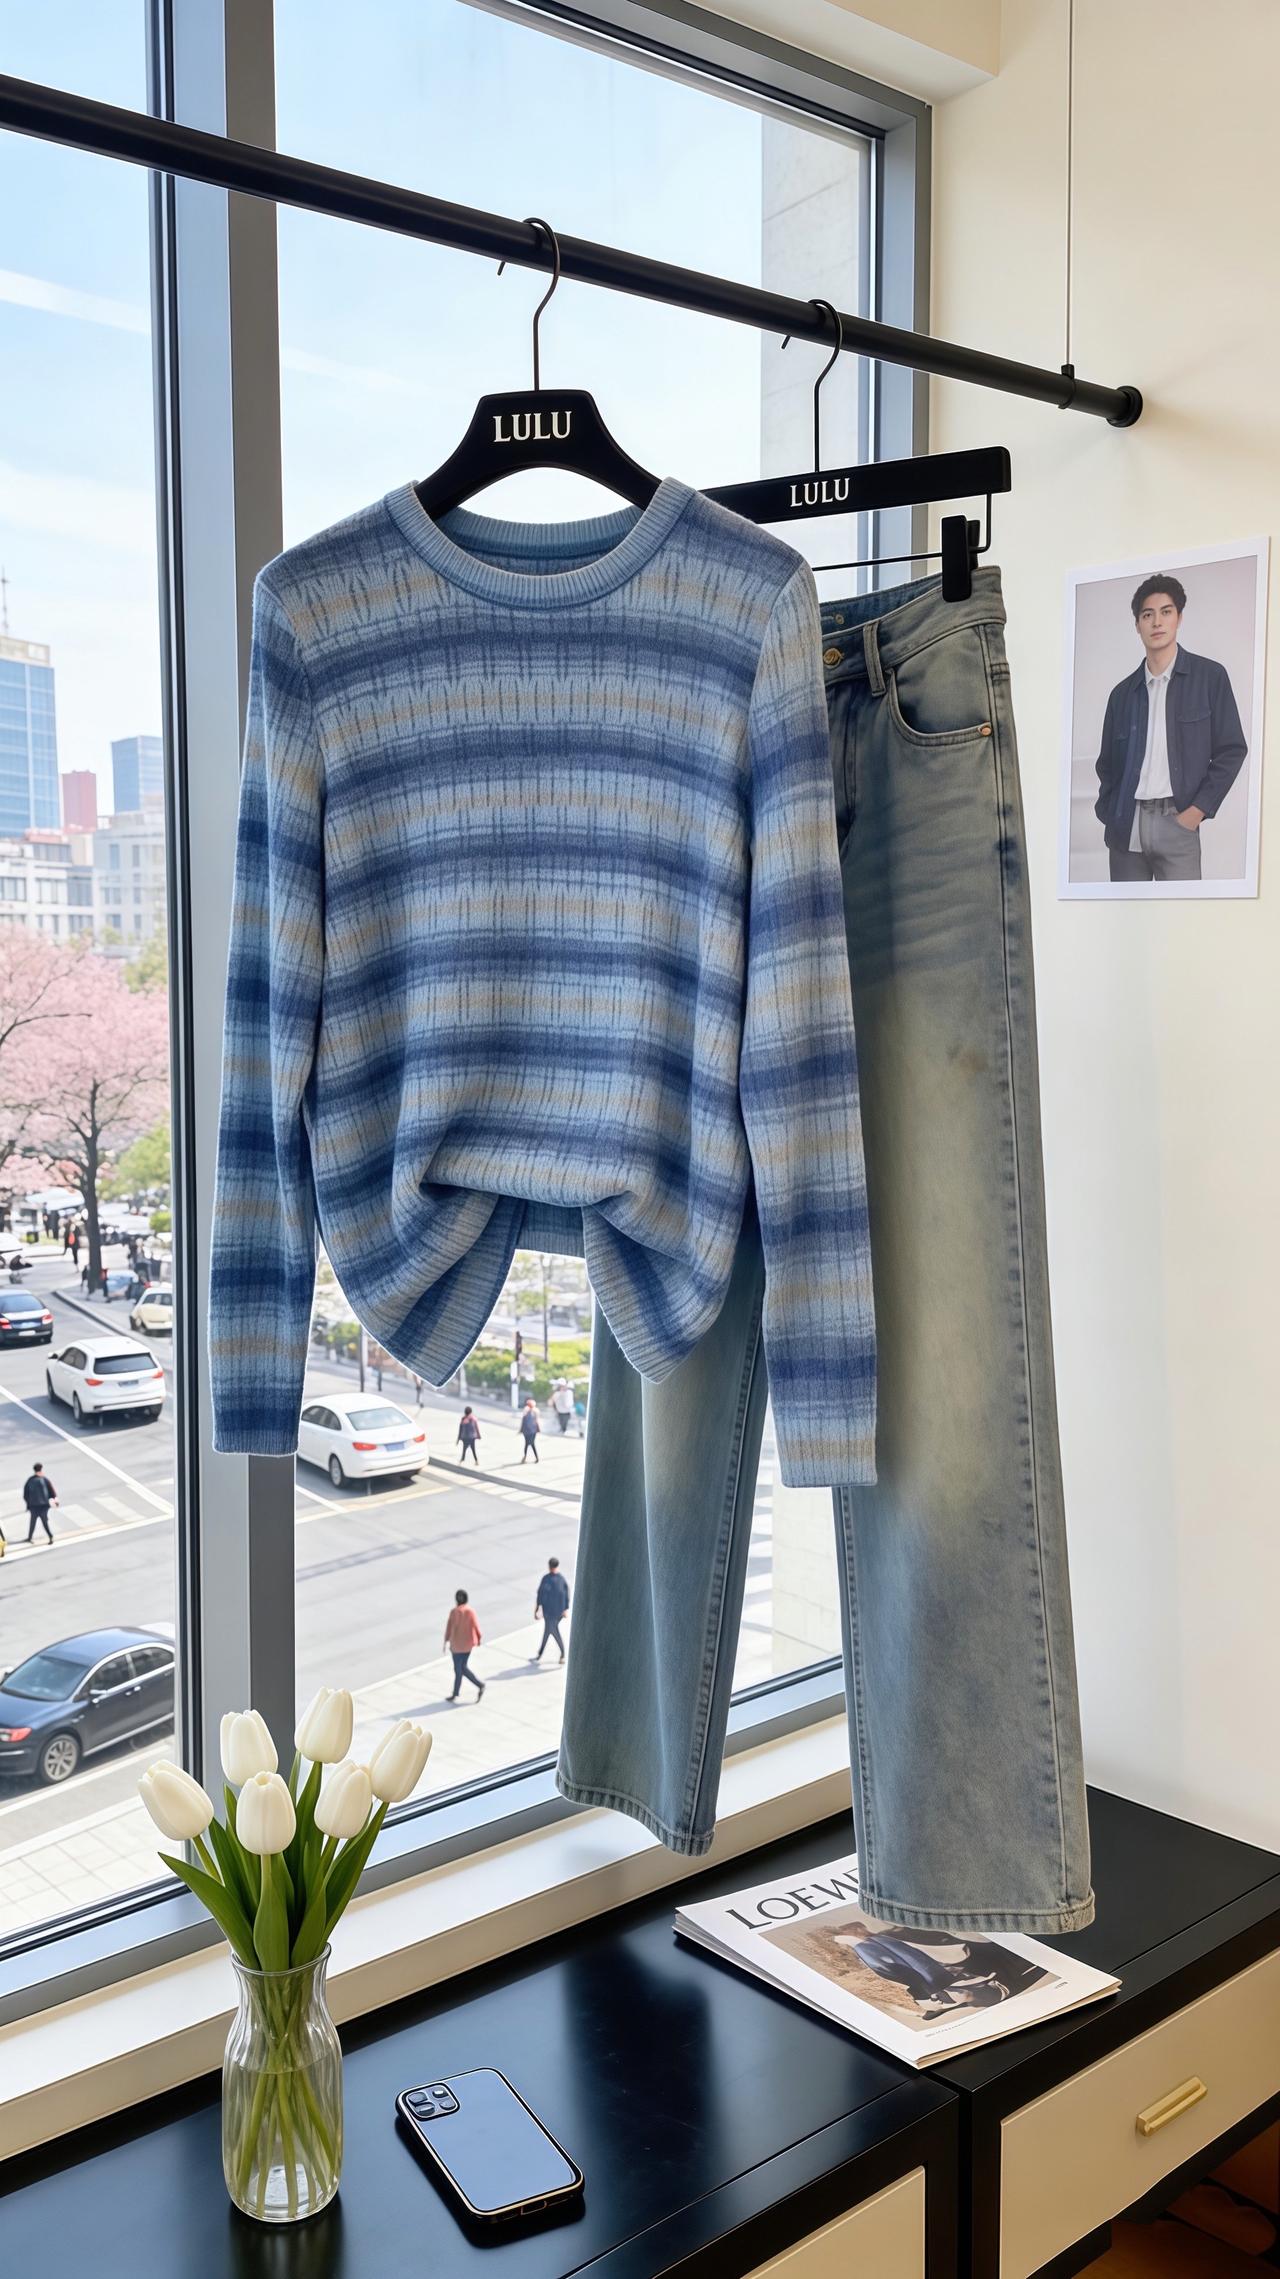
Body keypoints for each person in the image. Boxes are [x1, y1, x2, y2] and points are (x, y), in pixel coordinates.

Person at [1094, 573, 1248, 883]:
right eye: (1147, 615)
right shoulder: (1121, 694)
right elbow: (1107, 765)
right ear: (1137, 625)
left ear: (1179, 618)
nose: (1157, 622)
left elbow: (1232, 750)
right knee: (1129, 913)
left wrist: (1197, 811)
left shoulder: (1210, 677)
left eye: (1166, 612)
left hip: (1179, 823)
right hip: (1126, 828)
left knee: (1183, 913)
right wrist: (1111, 812)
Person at [443, 1589, 485, 1701]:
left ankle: (480, 1685)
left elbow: (449, 1627)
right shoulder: (470, 1611)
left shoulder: (454, 1612)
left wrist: (446, 1640)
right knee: (461, 1668)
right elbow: (476, 1626)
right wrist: (478, 1639)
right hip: (467, 1646)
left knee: (460, 1669)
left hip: (456, 1646)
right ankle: (455, 1693)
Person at [531, 1556, 570, 1664]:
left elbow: (541, 1595)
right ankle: (540, 1654)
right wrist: (565, 1609)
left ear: (549, 1566)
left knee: (553, 1631)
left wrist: (565, 1610)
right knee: (548, 1631)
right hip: (551, 1612)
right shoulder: (557, 1579)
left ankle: (563, 1654)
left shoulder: (551, 1579)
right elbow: (565, 1595)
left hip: (554, 1613)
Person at [23, 1462, 58, 1545]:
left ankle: (30, 1538)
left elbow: (25, 1494)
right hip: (44, 1506)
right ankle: (50, 1536)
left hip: (33, 1506)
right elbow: (52, 1491)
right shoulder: (44, 1479)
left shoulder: (30, 1480)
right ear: (41, 1469)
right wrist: (55, 1500)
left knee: (32, 1522)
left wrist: (28, 1504)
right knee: (44, 1522)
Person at [519, 1398, 541, 1464]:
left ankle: (534, 1457)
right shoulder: (526, 1411)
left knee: (531, 1443)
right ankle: (527, 1457)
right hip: (527, 1431)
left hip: (532, 1431)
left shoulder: (535, 1411)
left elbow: (537, 1421)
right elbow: (523, 1421)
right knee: (528, 1444)